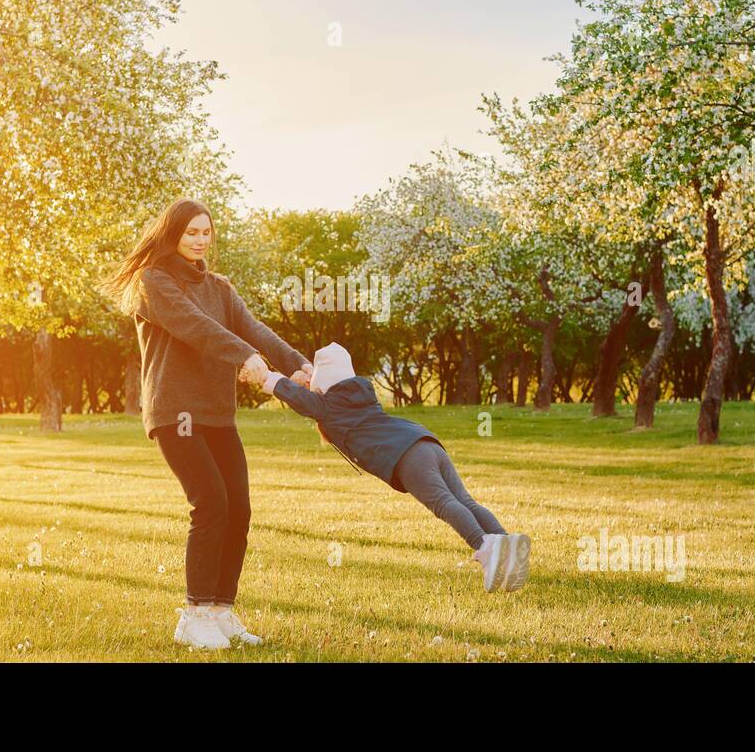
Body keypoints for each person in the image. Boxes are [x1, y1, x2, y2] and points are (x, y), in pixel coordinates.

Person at [100, 197, 312, 649]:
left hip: (217, 414)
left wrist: (297, 365)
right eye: (190, 232)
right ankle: (194, 616)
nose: (199, 240)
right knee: (211, 503)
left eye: (205, 232)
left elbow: (254, 329)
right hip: (175, 412)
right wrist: (245, 358)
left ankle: (221, 612)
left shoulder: (220, 287)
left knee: (238, 509)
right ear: (171, 234)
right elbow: (195, 326)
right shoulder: (152, 281)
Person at [258, 342, 531, 592]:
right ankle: (507, 544)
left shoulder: (328, 407)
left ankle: (485, 547)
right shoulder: (361, 394)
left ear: (322, 386)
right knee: (464, 500)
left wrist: (267, 378)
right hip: (425, 441)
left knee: (444, 503)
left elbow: (302, 401)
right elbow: (312, 399)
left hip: (405, 456)